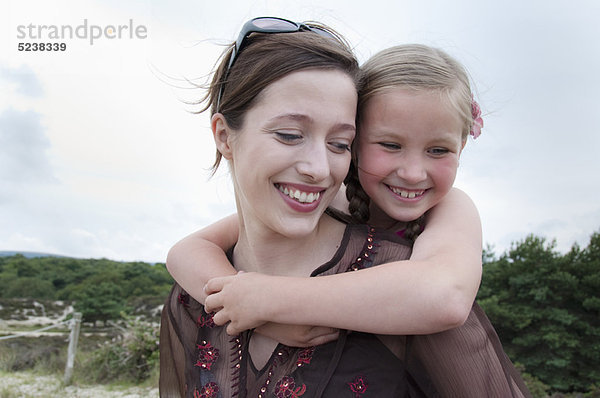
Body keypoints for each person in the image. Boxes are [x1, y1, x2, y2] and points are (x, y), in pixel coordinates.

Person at [164, 39, 532, 397]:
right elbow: (186, 250)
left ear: (461, 146)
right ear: (358, 143)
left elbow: (445, 296)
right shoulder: (327, 196)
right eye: (390, 145)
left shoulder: (450, 207)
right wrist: (247, 306)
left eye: (438, 150)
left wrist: (271, 299)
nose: (413, 173)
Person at [160, 17, 430, 397]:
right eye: (290, 135)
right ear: (224, 136)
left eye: (340, 144)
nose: (319, 169)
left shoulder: (403, 278)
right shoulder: (191, 297)